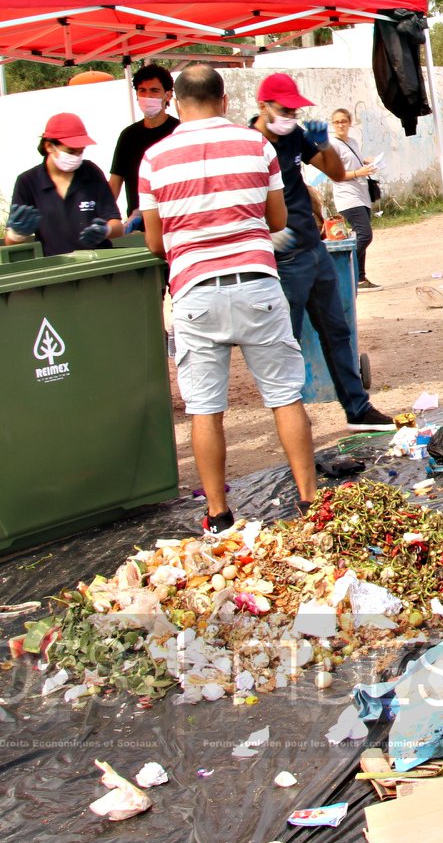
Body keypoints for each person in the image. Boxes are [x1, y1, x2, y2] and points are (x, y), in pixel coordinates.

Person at [138, 64, 319, 533]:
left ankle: (218, 513)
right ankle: (309, 502)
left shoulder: (154, 158)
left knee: (205, 408)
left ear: (177, 103)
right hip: (257, 283)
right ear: (224, 100)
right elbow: (278, 219)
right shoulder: (256, 144)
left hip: (195, 292)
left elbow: (156, 244)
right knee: (284, 397)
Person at [251, 75, 393, 435]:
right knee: (287, 342)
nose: (290, 115)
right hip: (283, 259)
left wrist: (323, 143)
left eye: (294, 110)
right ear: (262, 106)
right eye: (284, 110)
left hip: (312, 249)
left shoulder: (295, 135)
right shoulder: (248, 144)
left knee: (337, 331)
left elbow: (336, 172)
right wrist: (267, 237)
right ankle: (293, 420)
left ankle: (357, 409)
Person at [4, 113, 123, 257]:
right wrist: (17, 234)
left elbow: (117, 225)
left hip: (97, 263)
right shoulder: (28, 182)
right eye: (71, 151)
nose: (76, 157)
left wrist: (106, 231)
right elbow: (9, 243)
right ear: (49, 146)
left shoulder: (91, 173)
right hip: (55, 267)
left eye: (81, 151)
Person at [107, 64, 179, 218]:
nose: (148, 96)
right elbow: (114, 183)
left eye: (154, 90)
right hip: (139, 225)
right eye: (142, 91)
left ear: (168, 95)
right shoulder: (128, 136)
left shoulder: (179, 131)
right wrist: (104, 219)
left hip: (174, 221)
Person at [326, 106, 379, 289]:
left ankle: (360, 278)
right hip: (347, 196)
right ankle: (343, 270)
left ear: (349, 123)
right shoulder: (332, 145)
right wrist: (358, 172)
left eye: (344, 121)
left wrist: (366, 162)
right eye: (337, 122)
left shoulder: (352, 141)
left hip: (361, 194)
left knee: (359, 235)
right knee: (365, 235)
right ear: (333, 125)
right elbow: (335, 174)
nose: (341, 125)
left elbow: (354, 161)